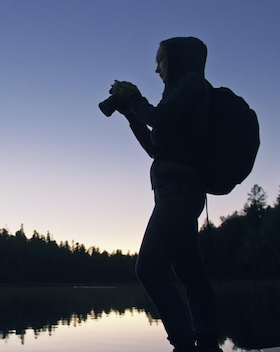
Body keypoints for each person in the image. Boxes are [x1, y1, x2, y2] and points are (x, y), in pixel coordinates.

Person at [109, 37, 223, 352]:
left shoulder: (192, 85)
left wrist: (135, 99)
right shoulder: (175, 95)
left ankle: (185, 345)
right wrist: (131, 113)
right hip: (172, 192)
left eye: (160, 60)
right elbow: (155, 149)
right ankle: (208, 343)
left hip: (181, 192)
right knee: (190, 272)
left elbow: (157, 118)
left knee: (149, 268)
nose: (156, 67)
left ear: (177, 58)